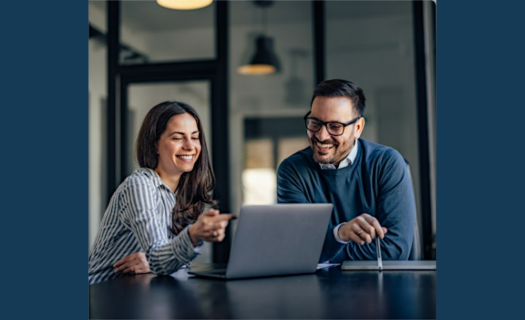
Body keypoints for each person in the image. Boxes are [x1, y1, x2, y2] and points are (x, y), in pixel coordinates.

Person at [89, 101, 235, 284]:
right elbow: (160, 259)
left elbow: (165, 261)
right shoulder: (139, 185)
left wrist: (152, 262)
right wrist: (193, 236)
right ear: (155, 145)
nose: (190, 146)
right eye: (177, 138)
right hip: (99, 297)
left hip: (139, 294)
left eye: (195, 137)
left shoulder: (183, 192)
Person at [277, 79, 415, 263]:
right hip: (314, 288)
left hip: (380, 287)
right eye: (315, 122)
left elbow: (394, 250)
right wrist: (339, 234)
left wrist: (325, 249)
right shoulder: (292, 171)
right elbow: (299, 249)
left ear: (358, 128)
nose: (321, 135)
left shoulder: (387, 163)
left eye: (335, 126)